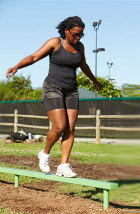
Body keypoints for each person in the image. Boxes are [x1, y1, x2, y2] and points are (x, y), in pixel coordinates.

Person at [5, 16, 102, 177]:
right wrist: (17, 66)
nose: (78, 37)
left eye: (81, 35)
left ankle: (63, 165)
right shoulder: (55, 43)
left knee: (70, 127)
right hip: (52, 88)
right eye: (75, 34)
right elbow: (34, 57)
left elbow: (83, 65)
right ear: (66, 30)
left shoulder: (80, 47)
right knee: (59, 126)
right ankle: (44, 153)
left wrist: (94, 80)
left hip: (71, 90)